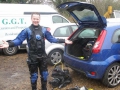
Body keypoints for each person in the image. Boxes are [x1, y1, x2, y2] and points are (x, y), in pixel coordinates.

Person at [0, 12, 73, 90]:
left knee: (45, 75)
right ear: (31, 19)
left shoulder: (44, 30)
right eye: (34, 18)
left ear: (39, 19)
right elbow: (19, 40)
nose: (36, 20)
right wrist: (9, 44)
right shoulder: (27, 30)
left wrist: (63, 40)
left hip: (43, 57)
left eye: (37, 19)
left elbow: (52, 39)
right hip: (32, 58)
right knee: (34, 76)